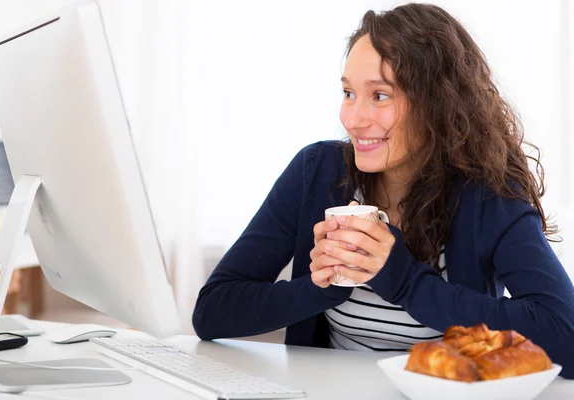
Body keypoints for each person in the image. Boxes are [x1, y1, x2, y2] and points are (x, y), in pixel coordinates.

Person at [192, 3, 574, 378]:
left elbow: (566, 338)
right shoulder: (317, 172)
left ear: (437, 104)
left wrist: (404, 280)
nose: (354, 119)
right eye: (348, 93)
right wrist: (319, 288)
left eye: (380, 95)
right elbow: (211, 313)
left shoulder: (488, 195)